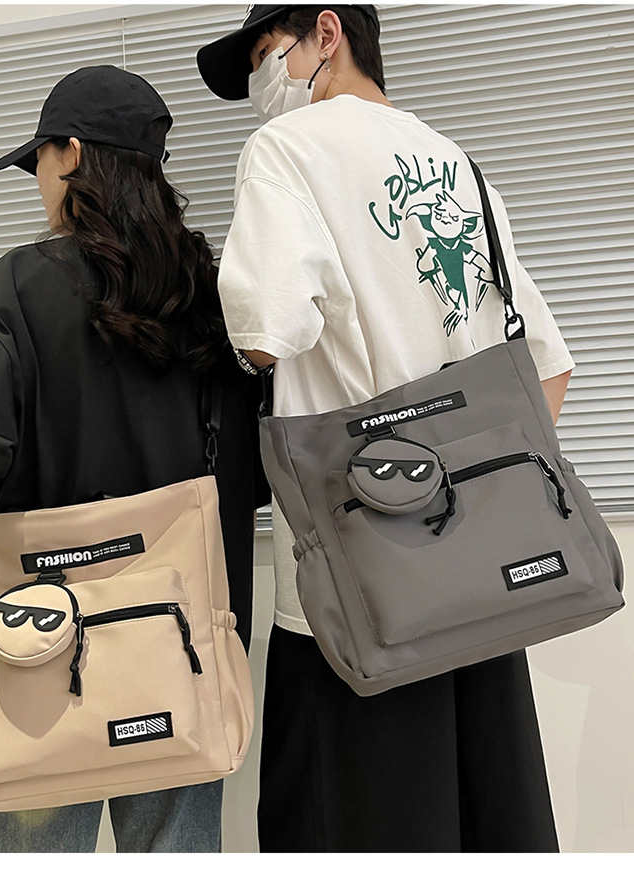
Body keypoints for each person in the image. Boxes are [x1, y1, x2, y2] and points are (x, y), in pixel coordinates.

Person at [197, 5, 574, 852]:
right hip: (482, 572)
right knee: (485, 818)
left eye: (267, 54)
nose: (261, 83)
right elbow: (547, 367)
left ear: (327, 33)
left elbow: (264, 334)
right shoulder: (458, 165)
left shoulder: (286, 149)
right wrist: (478, 504)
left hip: (361, 574)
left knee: (350, 823)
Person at [0, 65, 269, 853]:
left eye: (39, 160)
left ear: (71, 152)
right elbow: (256, 477)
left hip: (42, 651)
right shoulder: (216, 299)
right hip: (181, 651)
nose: (39, 183)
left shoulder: (13, 291)